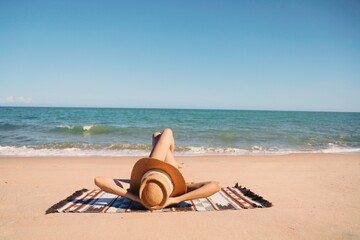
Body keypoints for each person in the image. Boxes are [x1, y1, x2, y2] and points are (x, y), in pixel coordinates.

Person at [94, 128, 221, 210]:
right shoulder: (180, 192)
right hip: (157, 174)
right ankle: (174, 165)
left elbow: (98, 180)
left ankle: (173, 165)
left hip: (151, 174)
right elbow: (216, 185)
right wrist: (175, 199)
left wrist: (137, 198)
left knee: (157, 135)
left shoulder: (137, 192)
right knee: (166, 132)